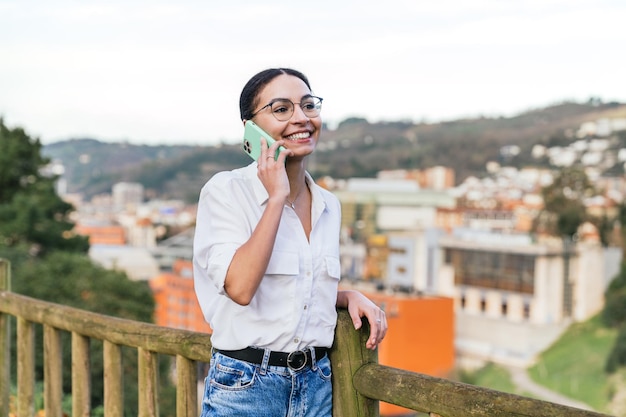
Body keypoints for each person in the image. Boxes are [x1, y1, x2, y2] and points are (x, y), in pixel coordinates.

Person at [193, 67, 388, 417]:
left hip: (317, 385)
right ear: (250, 128)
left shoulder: (329, 205)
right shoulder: (225, 192)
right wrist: (276, 196)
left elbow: (298, 286)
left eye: (309, 105)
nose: (301, 118)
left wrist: (345, 296)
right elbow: (240, 287)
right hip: (246, 388)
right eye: (281, 109)